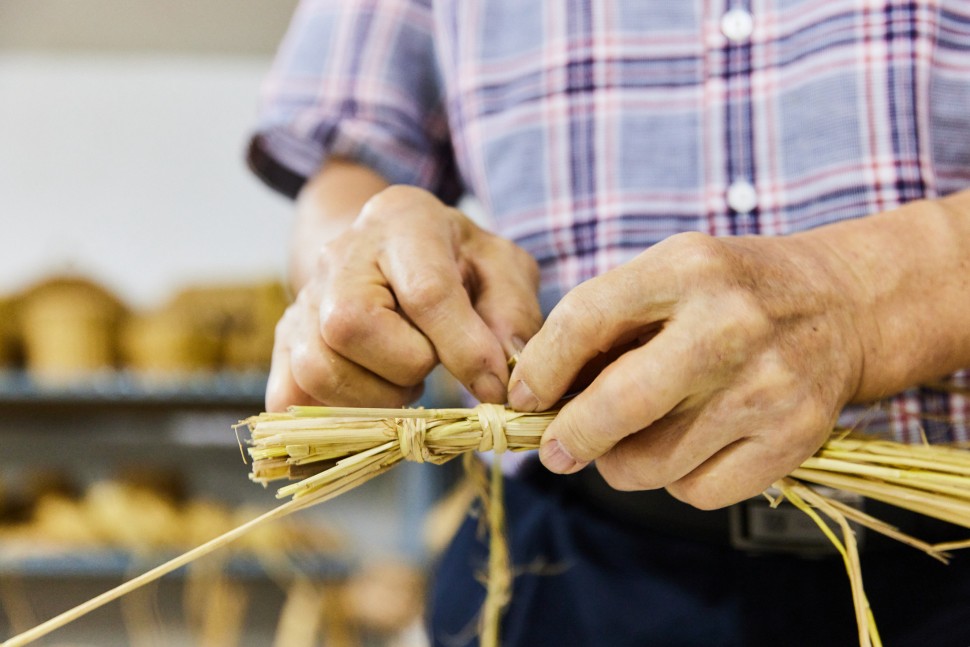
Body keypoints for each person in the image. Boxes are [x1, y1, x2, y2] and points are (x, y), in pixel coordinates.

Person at [247, 1, 970, 645]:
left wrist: (854, 297)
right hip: (570, 559)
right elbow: (352, 167)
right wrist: (370, 258)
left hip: (947, 546)